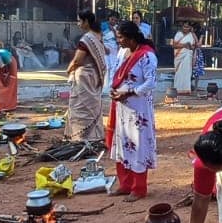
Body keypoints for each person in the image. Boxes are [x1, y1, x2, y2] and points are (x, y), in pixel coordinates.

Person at [107, 21, 158, 202]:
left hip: (138, 109)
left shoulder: (147, 56)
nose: (118, 41)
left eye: (120, 37)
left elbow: (150, 83)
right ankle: (125, 184)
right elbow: (116, 74)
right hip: (122, 107)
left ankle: (139, 188)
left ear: (130, 37)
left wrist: (129, 91)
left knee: (137, 144)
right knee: (123, 143)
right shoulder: (122, 52)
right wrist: (115, 91)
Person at [66, 12, 107, 141]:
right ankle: (95, 136)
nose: (78, 24)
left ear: (86, 22)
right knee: (92, 106)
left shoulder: (86, 39)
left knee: (80, 106)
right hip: (94, 77)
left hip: (84, 78)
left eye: (79, 21)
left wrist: (69, 69)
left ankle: (80, 137)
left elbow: (78, 60)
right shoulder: (98, 36)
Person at [171, 21, 198, 95]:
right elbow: (174, 45)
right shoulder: (178, 34)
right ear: (182, 27)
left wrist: (190, 46)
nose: (185, 28)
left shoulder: (191, 35)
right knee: (179, 73)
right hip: (179, 56)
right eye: (184, 26)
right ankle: (178, 89)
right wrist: (184, 45)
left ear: (190, 28)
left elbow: (195, 45)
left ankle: (186, 90)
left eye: (187, 27)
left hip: (188, 56)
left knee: (187, 72)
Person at [103, 14, 121, 93]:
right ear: (109, 19)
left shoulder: (117, 28)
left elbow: (118, 39)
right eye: (111, 19)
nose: (112, 21)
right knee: (107, 67)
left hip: (114, 48)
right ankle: (105, 86)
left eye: (114, 20)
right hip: (105, 47)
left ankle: (111, 86)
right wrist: (104, 48)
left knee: (113, 67)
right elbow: (100, 36)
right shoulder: (103, 25)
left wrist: (113, 30)